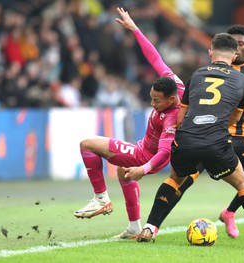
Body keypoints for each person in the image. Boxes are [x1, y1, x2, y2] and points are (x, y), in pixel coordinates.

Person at [136, 32, 244, 247]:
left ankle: (149, 228)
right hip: (216, 142)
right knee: (243, 183)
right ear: (234, 55)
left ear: (210, 52)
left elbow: (180, 116)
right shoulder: (242, 80)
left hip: (186, 140)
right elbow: (235, 117)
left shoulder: (196, 75)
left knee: (174, 180)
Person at [73, 7, 185, 240]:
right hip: (143, 148)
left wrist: (144, 169)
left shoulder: (173, 116)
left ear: (171, 100)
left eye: (156, 101)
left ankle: (101, 199)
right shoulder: (174, 84)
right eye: (151, 98)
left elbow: (164, 153)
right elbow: (155, 57)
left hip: (146, 156)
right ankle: (135, 227)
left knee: (87, 144)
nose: (152, 104)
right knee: (124, 175)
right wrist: (135, 30)